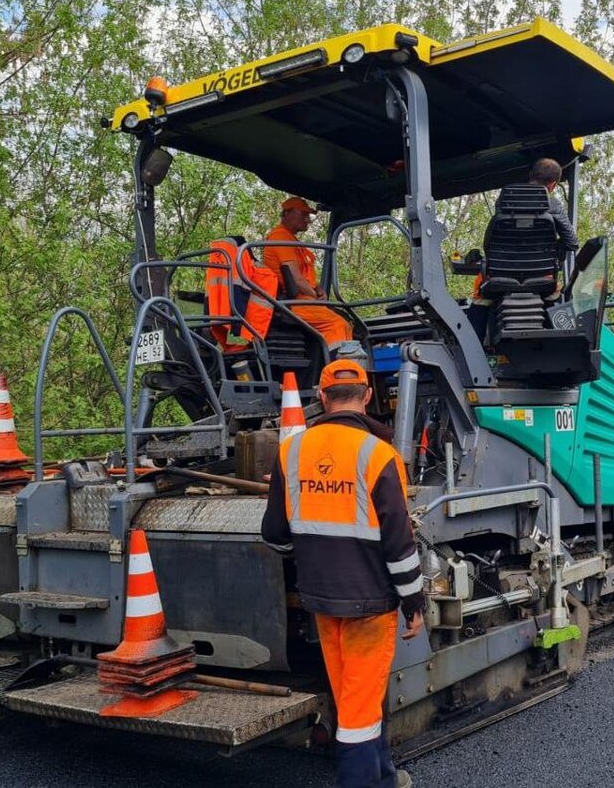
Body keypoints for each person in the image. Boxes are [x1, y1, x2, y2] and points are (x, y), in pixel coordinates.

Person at [261, 359, 425, 788]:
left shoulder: (290, 452)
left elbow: (275, 535)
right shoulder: (380, 455)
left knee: (358, 698)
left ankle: (385, 777)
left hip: (322, 601)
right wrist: (414, 603)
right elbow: (400, 546)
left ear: (321, 396)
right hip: (370, 606)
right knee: (357, 712)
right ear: (368, 396)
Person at [469, 157, 578, 312]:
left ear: (530, 174)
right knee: (557, 300)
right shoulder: (553, 206)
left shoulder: (504, 201)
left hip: (500, 274)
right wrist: (551, 248)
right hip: (542, 277)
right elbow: (572, 242)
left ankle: (471, 336)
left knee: (480, 298)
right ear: (553, 185)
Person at [263, 197, 354, 347]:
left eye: (308, 216)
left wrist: (319, 290)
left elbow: (306, 276)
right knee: (336, 324)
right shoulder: (280, 237)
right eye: (303, 215)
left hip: (307, 299)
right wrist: (317, 298)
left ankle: (350, 365)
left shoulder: (294, 241)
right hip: (296, 303)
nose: (308, 220)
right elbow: (297, 280)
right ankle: (339, 369)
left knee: (347, 323)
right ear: (286, 213)